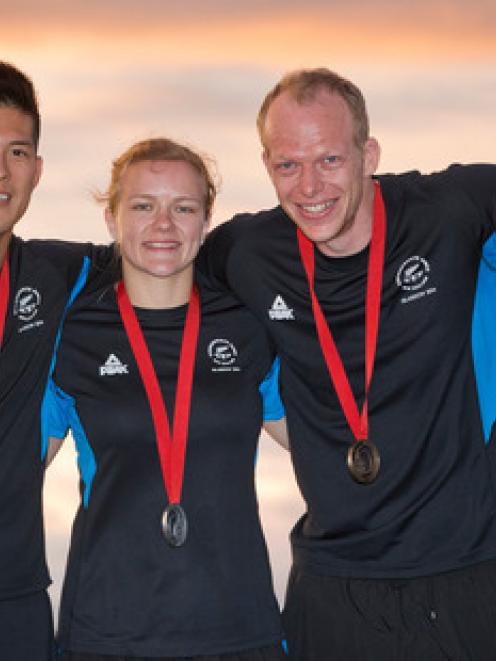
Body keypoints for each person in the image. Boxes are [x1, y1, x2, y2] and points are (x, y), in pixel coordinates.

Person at [199, 68, 496, 659]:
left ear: (369, 153)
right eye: (288, 165)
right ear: (267, 165)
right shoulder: (248, 252)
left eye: (329, 160)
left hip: (469, 573)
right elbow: (155, 275)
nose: (309, 187)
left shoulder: (447, 209)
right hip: (333, 585)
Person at [43, 138, 289, 661]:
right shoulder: (74, 332)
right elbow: (21, 465)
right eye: (142, 206)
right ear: (112, 220)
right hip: (107, 633)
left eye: (183, 208)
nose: (163, 225)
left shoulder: (246, 327)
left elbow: (317, 439)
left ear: (205, 222)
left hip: (239, 629)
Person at [0, 61, 111, 661]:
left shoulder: (55, 274)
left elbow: (164, 249)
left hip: (14, 601)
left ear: (37, 170)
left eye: (16, 152)